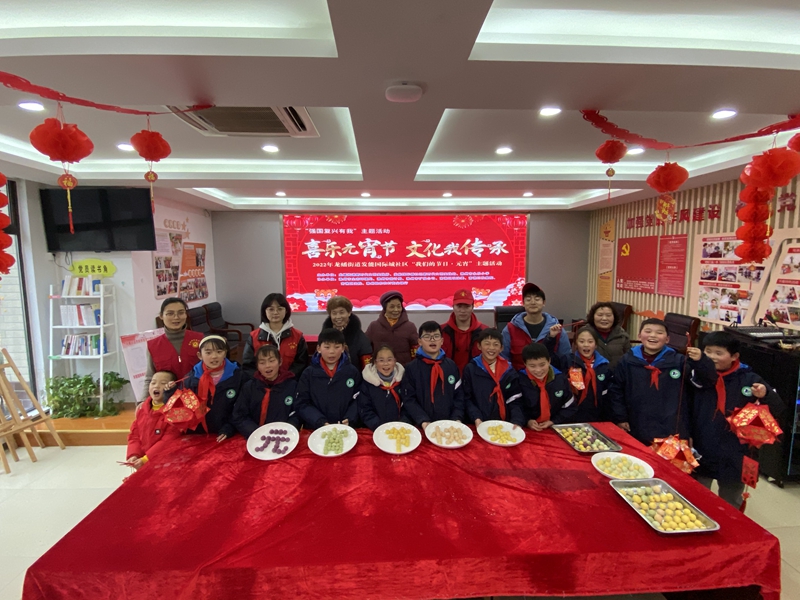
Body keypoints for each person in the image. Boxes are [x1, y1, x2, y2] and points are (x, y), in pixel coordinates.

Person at [690, 332, 783, 509]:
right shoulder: (697, 375)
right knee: (696, 499)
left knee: (731, 502)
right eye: (708, 351)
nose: (712, 357)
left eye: (719, 353)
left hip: (735, 453)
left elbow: (778, 408)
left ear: (734, 356)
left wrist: (765, 394)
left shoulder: (749, 379)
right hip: (702, 447)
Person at [608, 319, 716, 446]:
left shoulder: (679, 361)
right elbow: (616, 390)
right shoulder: (627, 361)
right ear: (639, 336)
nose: (653, 335)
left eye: (659, 333)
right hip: (636, 423)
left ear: (667, 339)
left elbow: (706, 382)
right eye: (648, 331)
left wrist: (701, 361)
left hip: (669, 426)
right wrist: (620, 417)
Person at [295, 328, 361, 430]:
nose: (332, 352)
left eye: (337, 347)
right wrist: (319, 421)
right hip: (316, 428)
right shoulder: (308, 374)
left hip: (345, 427)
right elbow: (302, 403)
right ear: (318, 348)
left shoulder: (352, 372)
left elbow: (359, 399)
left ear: (343, 348)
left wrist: (350, 418)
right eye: (327, 347)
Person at [402, 321, 464, 429]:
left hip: (449, 425)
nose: (432, 339)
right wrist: (423, 420)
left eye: (436, 336)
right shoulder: (411, 368)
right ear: (419, 341)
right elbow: (409, 399)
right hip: (422, 425)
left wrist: (456, 418)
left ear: (442, 341)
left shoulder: (451, 366)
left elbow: (459, 396)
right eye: (427, 336)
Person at [185, 335, 247, 442]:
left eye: (219, 352)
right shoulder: (190, 379)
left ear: (225, 353)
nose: (214, 356)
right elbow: (183, 409)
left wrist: (229, 428)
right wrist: (169, 392)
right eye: (208, 353)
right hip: (198, 435)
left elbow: (243, 408)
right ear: (200, 355)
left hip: (228, 433)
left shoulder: (239, 377)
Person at [141, 298, 203, 401]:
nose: (176, 317)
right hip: (166, 401)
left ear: (186, 314)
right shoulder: (153, 345)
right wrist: (142, 401)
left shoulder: (200, 339)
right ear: (161, 316)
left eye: (181, 313)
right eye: (170, 313)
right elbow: (150, 377)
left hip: (197, 398)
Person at [548, 326, 612, 423]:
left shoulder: (603, 365)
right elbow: (548, 358)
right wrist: (551, 338)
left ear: (596, 344)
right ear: (576, 344)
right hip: (571, 415)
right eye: (581, 341)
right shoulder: (568, 361)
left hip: (596, 416)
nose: (586, 345)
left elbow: (608, 396)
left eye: (590, 342)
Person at [233, 345, 299, 439]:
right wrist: (256, 432)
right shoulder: (249, 387)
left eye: (271, 361)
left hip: (283, 436)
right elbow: (239, 415)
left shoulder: (292, 386)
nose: (267, 365)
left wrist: (286, 430)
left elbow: (297, 413)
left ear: (280, 362)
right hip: (255, 436)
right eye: (262, 362)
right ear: (257, 365)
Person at [462, 328, 524, 427]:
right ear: (479, 346)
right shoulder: (471, 369)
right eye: (487, 344)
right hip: (477, 423)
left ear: (501, 348)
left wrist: (517, 421)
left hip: (503, 424)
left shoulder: (509, 371)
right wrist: (476, 418)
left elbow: (515, 399)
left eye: (496, 344)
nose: (491, 348)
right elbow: (467, 398)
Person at [501, 283, 570, 370]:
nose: (533, 302)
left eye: (537, 299)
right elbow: (503, 358)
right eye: (528, 299)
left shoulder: (557, 329)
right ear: (523, 303)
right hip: (518, 376)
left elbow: (566, 358)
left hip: (549, 376)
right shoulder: (510, 329)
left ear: (544, 302)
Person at [243, 293, 308, 378]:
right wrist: (263, 380)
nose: (275, 312)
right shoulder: (253, 336)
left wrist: (285, 379)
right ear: (264, 311)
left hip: (289, 382)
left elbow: (301, 364)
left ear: (286, 311)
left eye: (280, 309)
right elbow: (248, 365)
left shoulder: (297, 336)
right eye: (271, 309)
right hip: (260, 383)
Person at [126, 370, 181, 470]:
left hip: (165, 464)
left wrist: (146, 459)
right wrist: (134, 454)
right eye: (153, 382)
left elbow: (168, 441)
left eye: (163, 383)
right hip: (143, 461)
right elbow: (134, 435)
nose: (156, 386)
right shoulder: (142, 410)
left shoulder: (174, 413)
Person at [518, 342, 575, 430]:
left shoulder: (560, 379)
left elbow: (570, 406)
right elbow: (516, 407)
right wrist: (527, 421)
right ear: (525, 364)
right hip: (527, 429)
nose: (538, 370)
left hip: (555, 426)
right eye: (532, 366)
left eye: (542, 365)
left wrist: (554, 421)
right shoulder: (519, 380)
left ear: (549, 361)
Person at [358, 345, 409, 430]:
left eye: (389, 360)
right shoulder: (367, 383)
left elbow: (409, 404)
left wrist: (402, 424)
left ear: (395, 361)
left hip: (400, 429)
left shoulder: (403, 380)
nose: (386, 364)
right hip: (376, 429)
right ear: (375, 362)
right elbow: (365, 410)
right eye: (381, 360)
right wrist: (380, 427)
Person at [365, 290, 419, 366]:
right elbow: (366, 349)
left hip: (404, 369)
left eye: (399, 306)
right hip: (380, 369)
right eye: (392, 307)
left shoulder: (410, 326)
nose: (396, 310)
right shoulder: (374, 326)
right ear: (385, 308)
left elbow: (416, 349)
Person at [441, 289, 486, 374]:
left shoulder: (484, 331)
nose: (462, 310)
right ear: (453, 307)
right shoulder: (441, 332)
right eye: (459, 306)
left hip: (476, 377)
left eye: (467, 306)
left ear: (473, 307)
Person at [323, 296, 373, 369]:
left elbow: (367, 368)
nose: (338, 317)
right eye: (334, 313)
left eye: (341, 312)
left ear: (349, 313)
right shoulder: (324, 335)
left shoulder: (360, 338)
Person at [585, 301, 631, 370]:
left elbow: (629, 358)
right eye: (600, 315)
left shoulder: (622, 335)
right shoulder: (584, 333)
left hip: (617, 374)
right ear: (593, 316)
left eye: (608, 315)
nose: (604, 318)